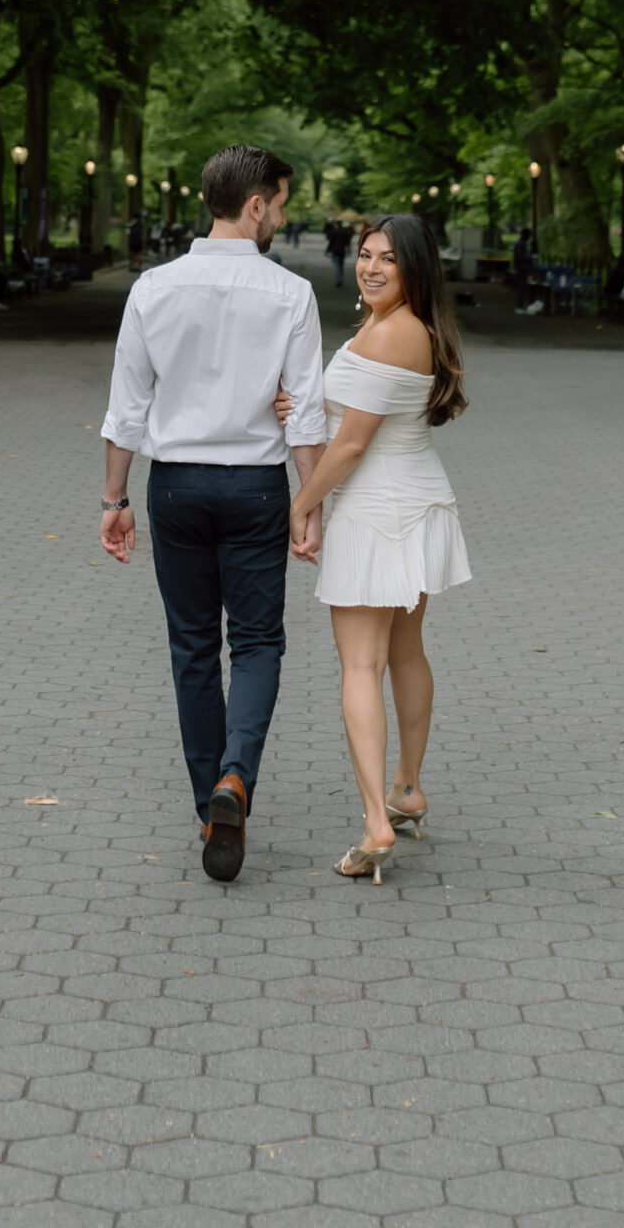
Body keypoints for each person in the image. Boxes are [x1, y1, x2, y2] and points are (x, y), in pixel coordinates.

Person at [99, 144, 327, 883]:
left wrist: (114, 501)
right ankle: (237, 778)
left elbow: (126, 407)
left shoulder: (153, 288)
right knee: (258, 643)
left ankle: (209, 809)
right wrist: (310, 503)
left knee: (193, 647)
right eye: (281, 204)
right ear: (254, 204)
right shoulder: (290, 295)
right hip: (257, 486)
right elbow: (307, 414)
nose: (283, 218)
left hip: (176, 487)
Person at [283, 213, 471, 885]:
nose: (370, 267)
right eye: (365, 255)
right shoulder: (411, 328)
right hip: (419, 503)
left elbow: (354, 445)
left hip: (375, 511)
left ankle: (375, 824)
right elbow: (362, 412)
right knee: (406, 651)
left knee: (360, 667)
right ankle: (407, 788)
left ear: (414, 266)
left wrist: (299, 507)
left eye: (387, 258)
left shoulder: (389, 331)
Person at [324, 216, 351, 287]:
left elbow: (331, 242)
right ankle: (340, 278)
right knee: (341, 265)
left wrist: (327, 251)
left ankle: (339, 280)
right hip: (342, 250)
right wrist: (348, 250)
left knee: (337, 266)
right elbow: (347, 242)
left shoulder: (334, 232)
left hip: (335, 250)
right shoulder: (345, 232)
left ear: (336, 225)